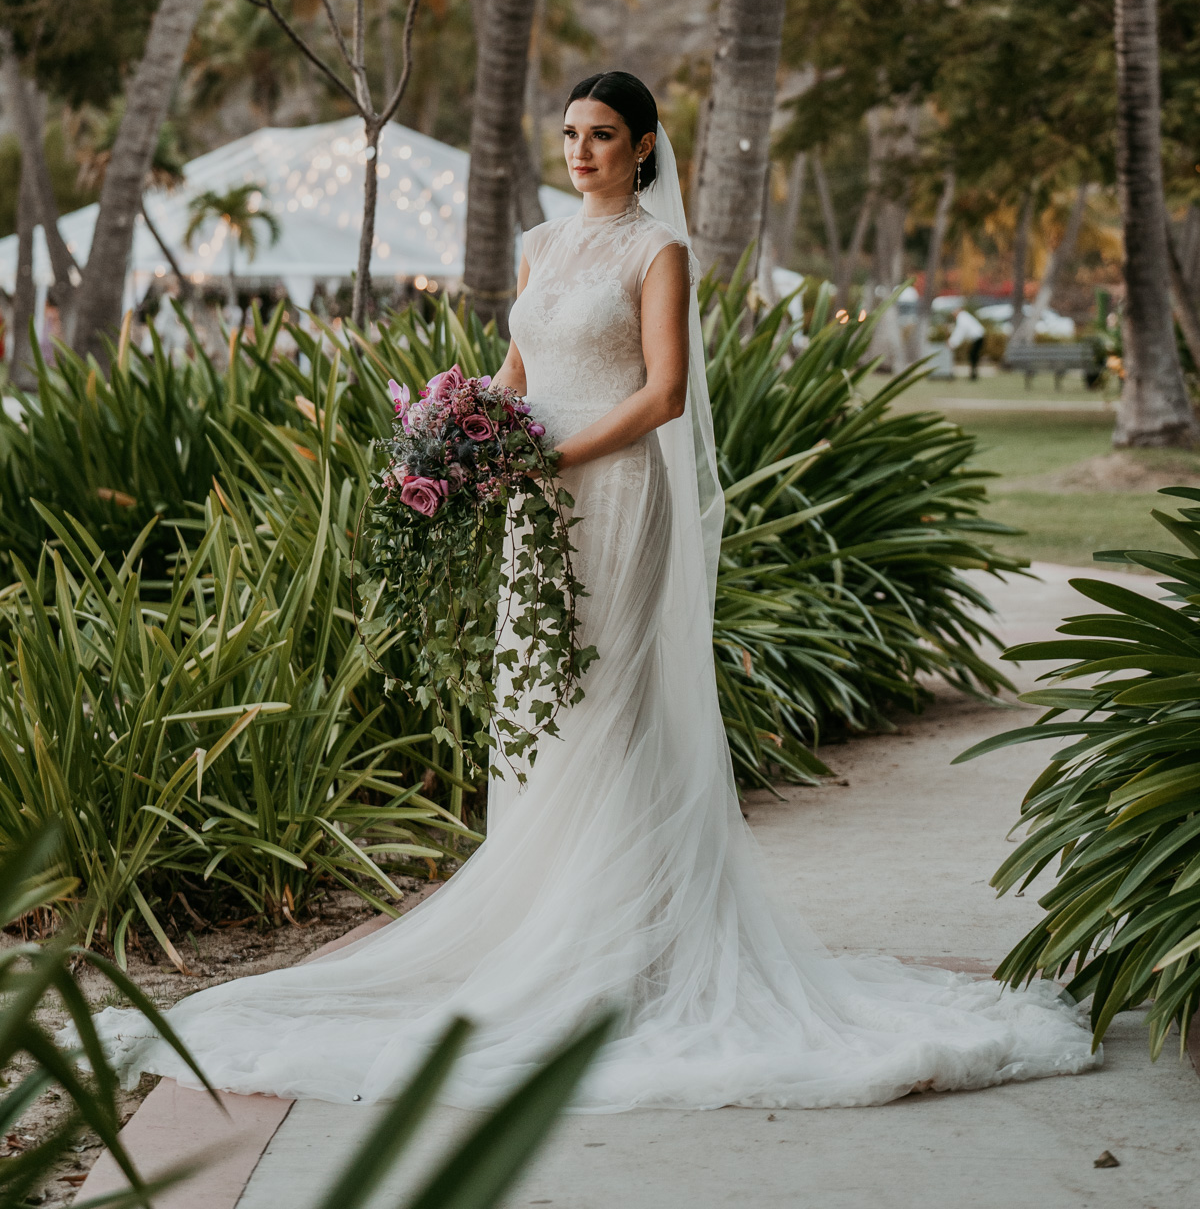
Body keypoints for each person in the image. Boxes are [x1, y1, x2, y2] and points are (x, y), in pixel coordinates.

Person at [93, 71, 1097, 1110]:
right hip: (535, 501)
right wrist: (458, 430)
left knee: (609, 703)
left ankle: (624, 955)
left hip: (614, 495)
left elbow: (662, 392)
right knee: (545, 704)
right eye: (570, 133)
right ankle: (554, 931)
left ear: (645, 146)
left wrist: (553, 455)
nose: (581, 151)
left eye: (603, 135)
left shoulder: (660, 252)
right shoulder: (540, 242)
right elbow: (519, 370)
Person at [948, 305, 987, 380]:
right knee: (972, 356)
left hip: (978, 337)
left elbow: (960, 331)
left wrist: (952, 343)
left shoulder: (962, 317)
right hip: (978, 337)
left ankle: (973, 375)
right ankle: (973, 374)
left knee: (973, 356)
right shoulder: (964, 316)